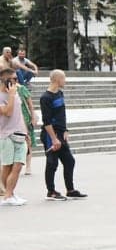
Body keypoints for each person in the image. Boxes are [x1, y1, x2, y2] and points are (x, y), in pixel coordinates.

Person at [40, 70, 85, 200]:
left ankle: (70, 190)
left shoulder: (60, 93)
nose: (65, 81)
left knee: (69, 161)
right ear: (57, 79)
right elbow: (46, 121)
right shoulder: (45, 97)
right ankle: (51, 191)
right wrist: (54, 139)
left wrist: (65, 130)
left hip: (61, 132)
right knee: (52, 163)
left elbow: (61, 115)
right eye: (64, 78)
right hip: (50, 134)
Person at [0, 66, 26, 205]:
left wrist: (25, 131)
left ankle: (11, 194)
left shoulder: (15, 94)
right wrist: (10, 95)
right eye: (14, 79)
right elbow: (7, 112)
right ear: (4, 80)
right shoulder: (5, 95)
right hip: (6, 135)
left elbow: (19, 114)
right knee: (7, 166)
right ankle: (8, 195)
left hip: (19, 133)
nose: (17, 82)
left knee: (18, 166)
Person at [14, 47, 38, 178]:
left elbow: (30, 103)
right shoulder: (5, 90)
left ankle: (28, 165)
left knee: (28, 141)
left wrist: (33, 117)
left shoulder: (22, 89)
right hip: (13, 120)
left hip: (25, 117)